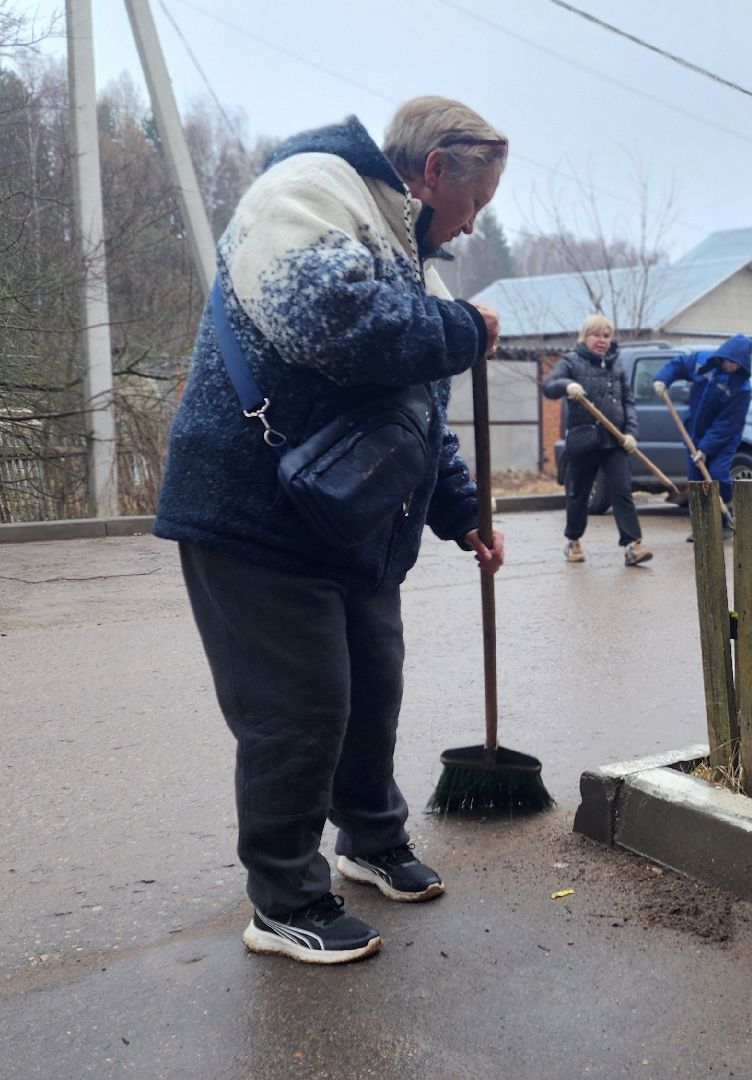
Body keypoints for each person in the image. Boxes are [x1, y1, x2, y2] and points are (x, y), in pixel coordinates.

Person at [153, 98, 508, 965]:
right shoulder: (308, 191)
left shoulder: (408, 252)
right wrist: (466, 329)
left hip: (348, 514)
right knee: (298, 712)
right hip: (255, 510)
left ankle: (370, 840)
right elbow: (334, 324)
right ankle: (282, 900)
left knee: (370, 690)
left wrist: (462, 515)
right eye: (478, 199)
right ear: (434, 172)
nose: (477, 219)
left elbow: (415, 414)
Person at [542, 314, 650, 566]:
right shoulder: (571, 361)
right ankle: (573, 541)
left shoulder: (616, 365)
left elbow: (628, 403)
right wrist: (567, 385)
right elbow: (549, 386)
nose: (601, 340)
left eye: (606, 335)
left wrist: (631, 433)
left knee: (622, 491)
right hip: (584, 441)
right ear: (584, 336)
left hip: (614, 441)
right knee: (579, 494)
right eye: (596, 335)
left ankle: (632, 546)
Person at [652, 333, 752, 541]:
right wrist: (662, 379)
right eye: (729, 360)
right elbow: (679, 364)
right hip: (695, 431)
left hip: (725, 437)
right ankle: (702, 528)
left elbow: (725, 424)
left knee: (716, 473)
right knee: (696, 480)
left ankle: (726, 518)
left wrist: (706, 449)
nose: (731, 365)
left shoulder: (742, 389)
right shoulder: (703, 362)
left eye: (736, 363)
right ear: (724, 355)